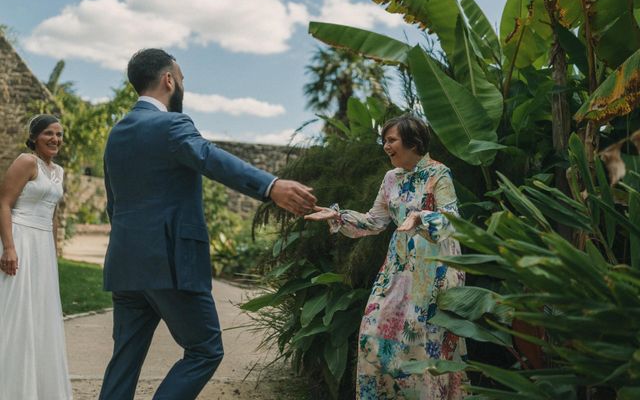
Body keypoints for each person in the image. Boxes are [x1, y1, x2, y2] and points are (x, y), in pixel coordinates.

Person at [99, 48, 316, 400]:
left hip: (125, 263)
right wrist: (271, 186)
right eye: (181, 77)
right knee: (204, 350)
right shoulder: (172, 125)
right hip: (170, 263)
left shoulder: (117, 132)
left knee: (124, 360)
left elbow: (114, 202)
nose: (183, 83)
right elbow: (211, 159)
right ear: (169, 79)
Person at [306, 115, 467, 399]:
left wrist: (421, 217)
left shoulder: (439, 174)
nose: (385, 146)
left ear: (413, 141)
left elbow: (454, 221)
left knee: (424, 344)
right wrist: (339, 216)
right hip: (398, 268)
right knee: (374, 334)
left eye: (391, 140)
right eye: (384, 141)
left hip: (435, 271)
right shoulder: (390, 178)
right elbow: (374, 221)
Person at [0, 114, 72, 399]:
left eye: (59, 134)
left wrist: (53, 251)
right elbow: (4, 204)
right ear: (34, 137)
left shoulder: (59, 172)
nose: (55, 139)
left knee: (40, 314)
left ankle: (38, 387)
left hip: (42, 246)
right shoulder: (26, 162)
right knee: (16, 310)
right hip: (20, 237)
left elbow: (53, 216)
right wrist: (9, 247)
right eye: (49, 134)